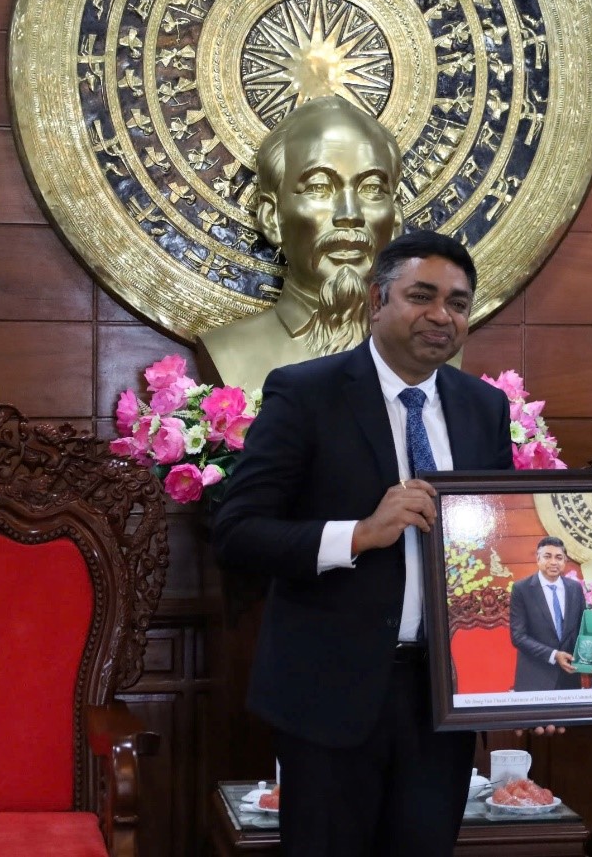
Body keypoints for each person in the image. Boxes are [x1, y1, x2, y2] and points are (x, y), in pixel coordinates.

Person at [210, 229, 514, 856]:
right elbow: (238, 533)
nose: (441, 316)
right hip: (331, 695)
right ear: (377, 300)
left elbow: (497, 544)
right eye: (421, 296)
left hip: (444, 700)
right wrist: (360, 535)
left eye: (458, 303)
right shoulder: (306, 392)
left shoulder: (484, 407)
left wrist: (522, 676)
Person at [195, 95, 404, 394]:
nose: (350, 214)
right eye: (319, 187)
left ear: (395, 220)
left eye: (371, 188)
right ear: (272, 218)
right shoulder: (229, 352)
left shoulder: (438, 357)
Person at [508, 536, 585, 691]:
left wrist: (588, 654)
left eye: (559, 557)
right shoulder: (521, 589)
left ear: (564, 561)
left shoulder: (575, 588)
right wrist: (554, 654)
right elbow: (518, 637)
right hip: (535, 677)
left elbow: (581, 629)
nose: (553, 562)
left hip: (569, 677)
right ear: (538, 559)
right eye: (547, 556)